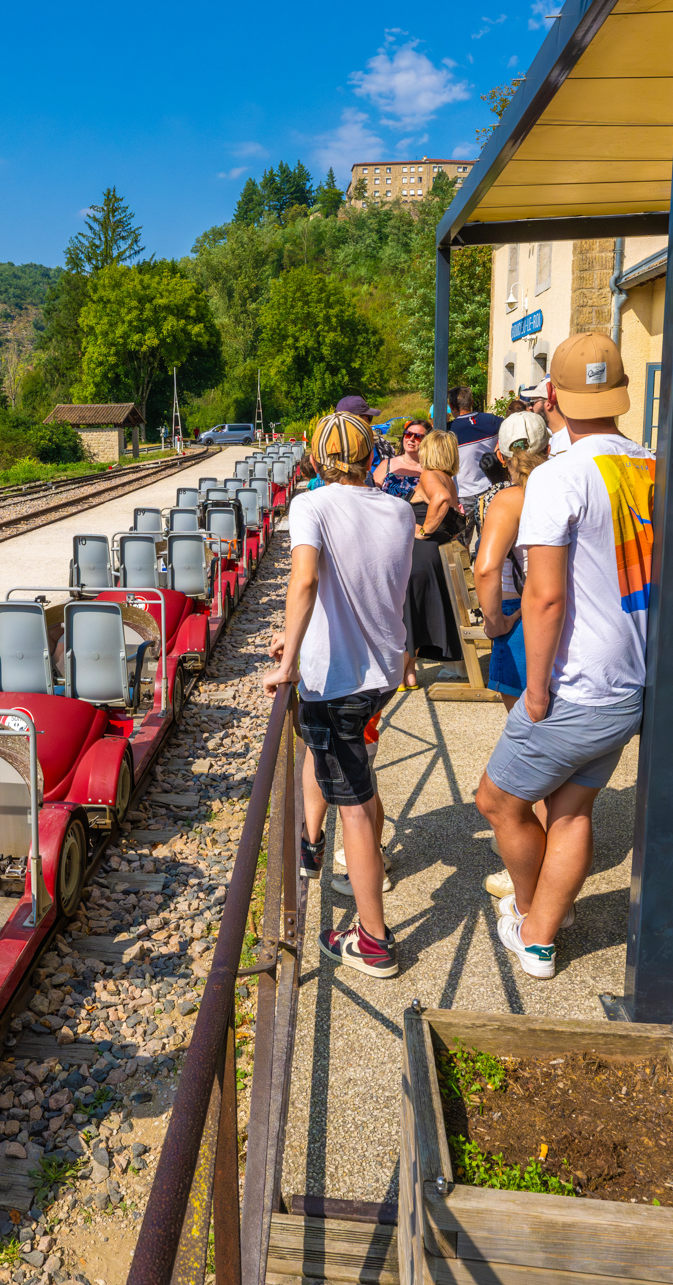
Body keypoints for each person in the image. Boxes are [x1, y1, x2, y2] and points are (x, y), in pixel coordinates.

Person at [474, 333, 654, 982]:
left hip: (575, 682)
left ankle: (531, 919)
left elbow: (546, 597)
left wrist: (538, 688)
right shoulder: (652, 464)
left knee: (497, 801)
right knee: (572, 809)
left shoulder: (558, 477)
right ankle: (547, 934)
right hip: (631, 679)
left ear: (553, 397)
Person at [263, 409, 415, 978]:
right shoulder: (398, 510)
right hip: (380, 674)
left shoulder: (312, 504)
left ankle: (373, 940)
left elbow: (305, 580)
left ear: (318, 461)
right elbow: (369, 582)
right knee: (341, 769)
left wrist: (289, 662)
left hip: (338, 681)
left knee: (352, 802)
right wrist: (295, 635)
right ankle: (311, 844)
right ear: (371, 454)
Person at [474, 412, 551, 709]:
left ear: (500, 456)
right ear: (547, 449)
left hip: (517, 612)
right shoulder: (564, 491)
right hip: (563, 609)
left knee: (525, 730)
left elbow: (486, 569)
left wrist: (494, 624)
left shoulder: (508, 499)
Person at [400, 430, 463, 691]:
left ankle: (396, 674)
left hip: (420, 556)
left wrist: (424, 529)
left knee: (406, 615)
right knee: (414, 614)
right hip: (436, 556)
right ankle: (409, 675)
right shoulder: (449, 479)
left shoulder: (429, 476)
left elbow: (441, 499)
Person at [449, 388, 505, 520]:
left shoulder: (449, 430)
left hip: (462, 493)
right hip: (490, 489)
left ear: (451, 406)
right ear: (472, 402)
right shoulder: (493, 421)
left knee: (461, 538)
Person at [373, 416, 430, 499]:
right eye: (408, 434)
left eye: (418, 436)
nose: (411, 439)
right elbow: (370, 494)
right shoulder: (387, 465)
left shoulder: (431, 468)